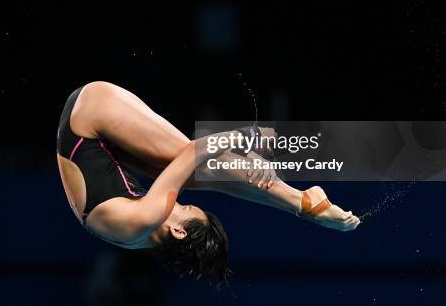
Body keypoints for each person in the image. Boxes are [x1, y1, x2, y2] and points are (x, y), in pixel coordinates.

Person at [56, 82, 360, 286]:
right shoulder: (141, 237)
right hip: (96, 137)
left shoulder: (144, 219)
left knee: (189, 160)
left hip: (92, 110)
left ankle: (301, 202)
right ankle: (301, 205)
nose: (180, 203)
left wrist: (251, 136)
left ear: (178, 231)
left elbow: (194, 150)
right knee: (200, 176)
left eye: (185, 209)